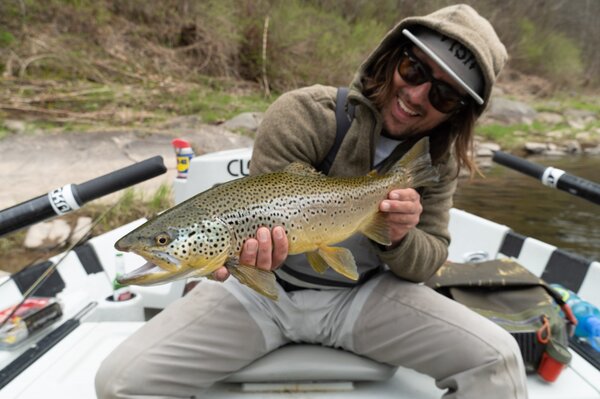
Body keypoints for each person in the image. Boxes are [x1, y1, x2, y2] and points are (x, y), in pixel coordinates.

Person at [96, 4, 528, 399]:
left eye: (443, 95)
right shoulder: (304, 112)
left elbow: (426, 264)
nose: (417, 96)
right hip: (260, 294)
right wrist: (237, 260)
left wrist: (398, 237)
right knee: (119, 383)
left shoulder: (435, 160)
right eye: (414, 70)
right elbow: (258, 212)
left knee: (499, 362)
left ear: (458, 111)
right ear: (392, 57)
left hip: (361, 295)